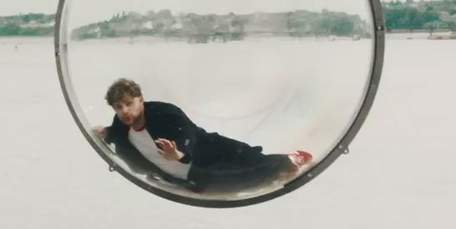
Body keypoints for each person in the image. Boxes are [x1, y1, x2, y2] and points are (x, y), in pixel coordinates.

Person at [90, 78, 312, 194]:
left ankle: (289, 160)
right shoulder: (120, 126)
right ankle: (284, 164)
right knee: (237, 179)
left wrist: (178, 153)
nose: (125, 111)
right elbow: (115, 137)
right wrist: (105, 133)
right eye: (119, 107)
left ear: (140, 98)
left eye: (129, 104)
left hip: (206, 148)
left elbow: (185, 131)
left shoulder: (163, 111)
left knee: (249, 156)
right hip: (193, 174)